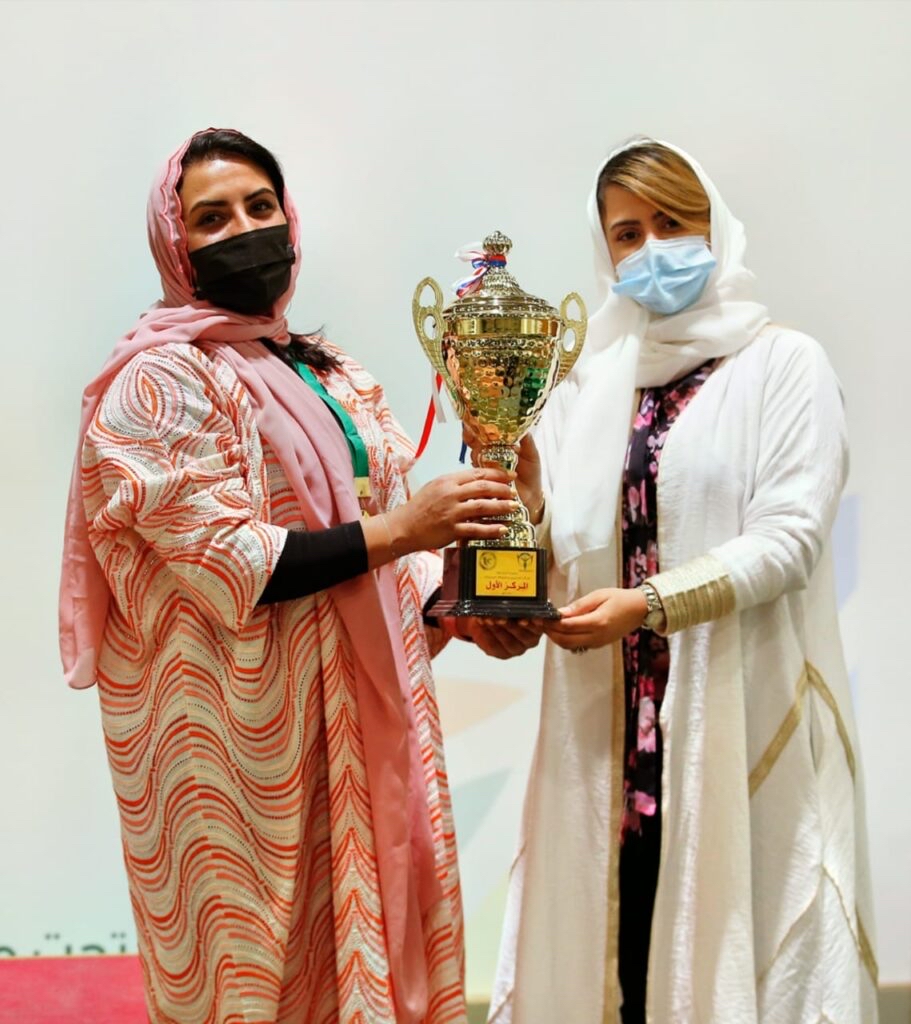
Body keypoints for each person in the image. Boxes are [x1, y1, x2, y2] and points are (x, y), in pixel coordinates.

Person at [58, 127, 521, 1024]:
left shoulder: (327, 372)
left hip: (359, 726)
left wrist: (460, 605)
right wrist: (404, 529)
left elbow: (386, 552)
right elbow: (229, 563)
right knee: (255, 983)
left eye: (260, 206)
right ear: (174, 243)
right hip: (238, 758)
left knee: (371, 965)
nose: (245, 229)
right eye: (212, 217)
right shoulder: (156, 382)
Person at [487, 139, 878, 1023]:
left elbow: (789, 538)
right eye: (627, 233)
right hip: (608, 748)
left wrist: (648, 605)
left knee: (739, 962)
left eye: (672, 221)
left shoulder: (784, 364)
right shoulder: (587, 384)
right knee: (617, 968)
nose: (652, 247)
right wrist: (528, 503)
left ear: (714, 226)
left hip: (731, 721)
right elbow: (565, 554)